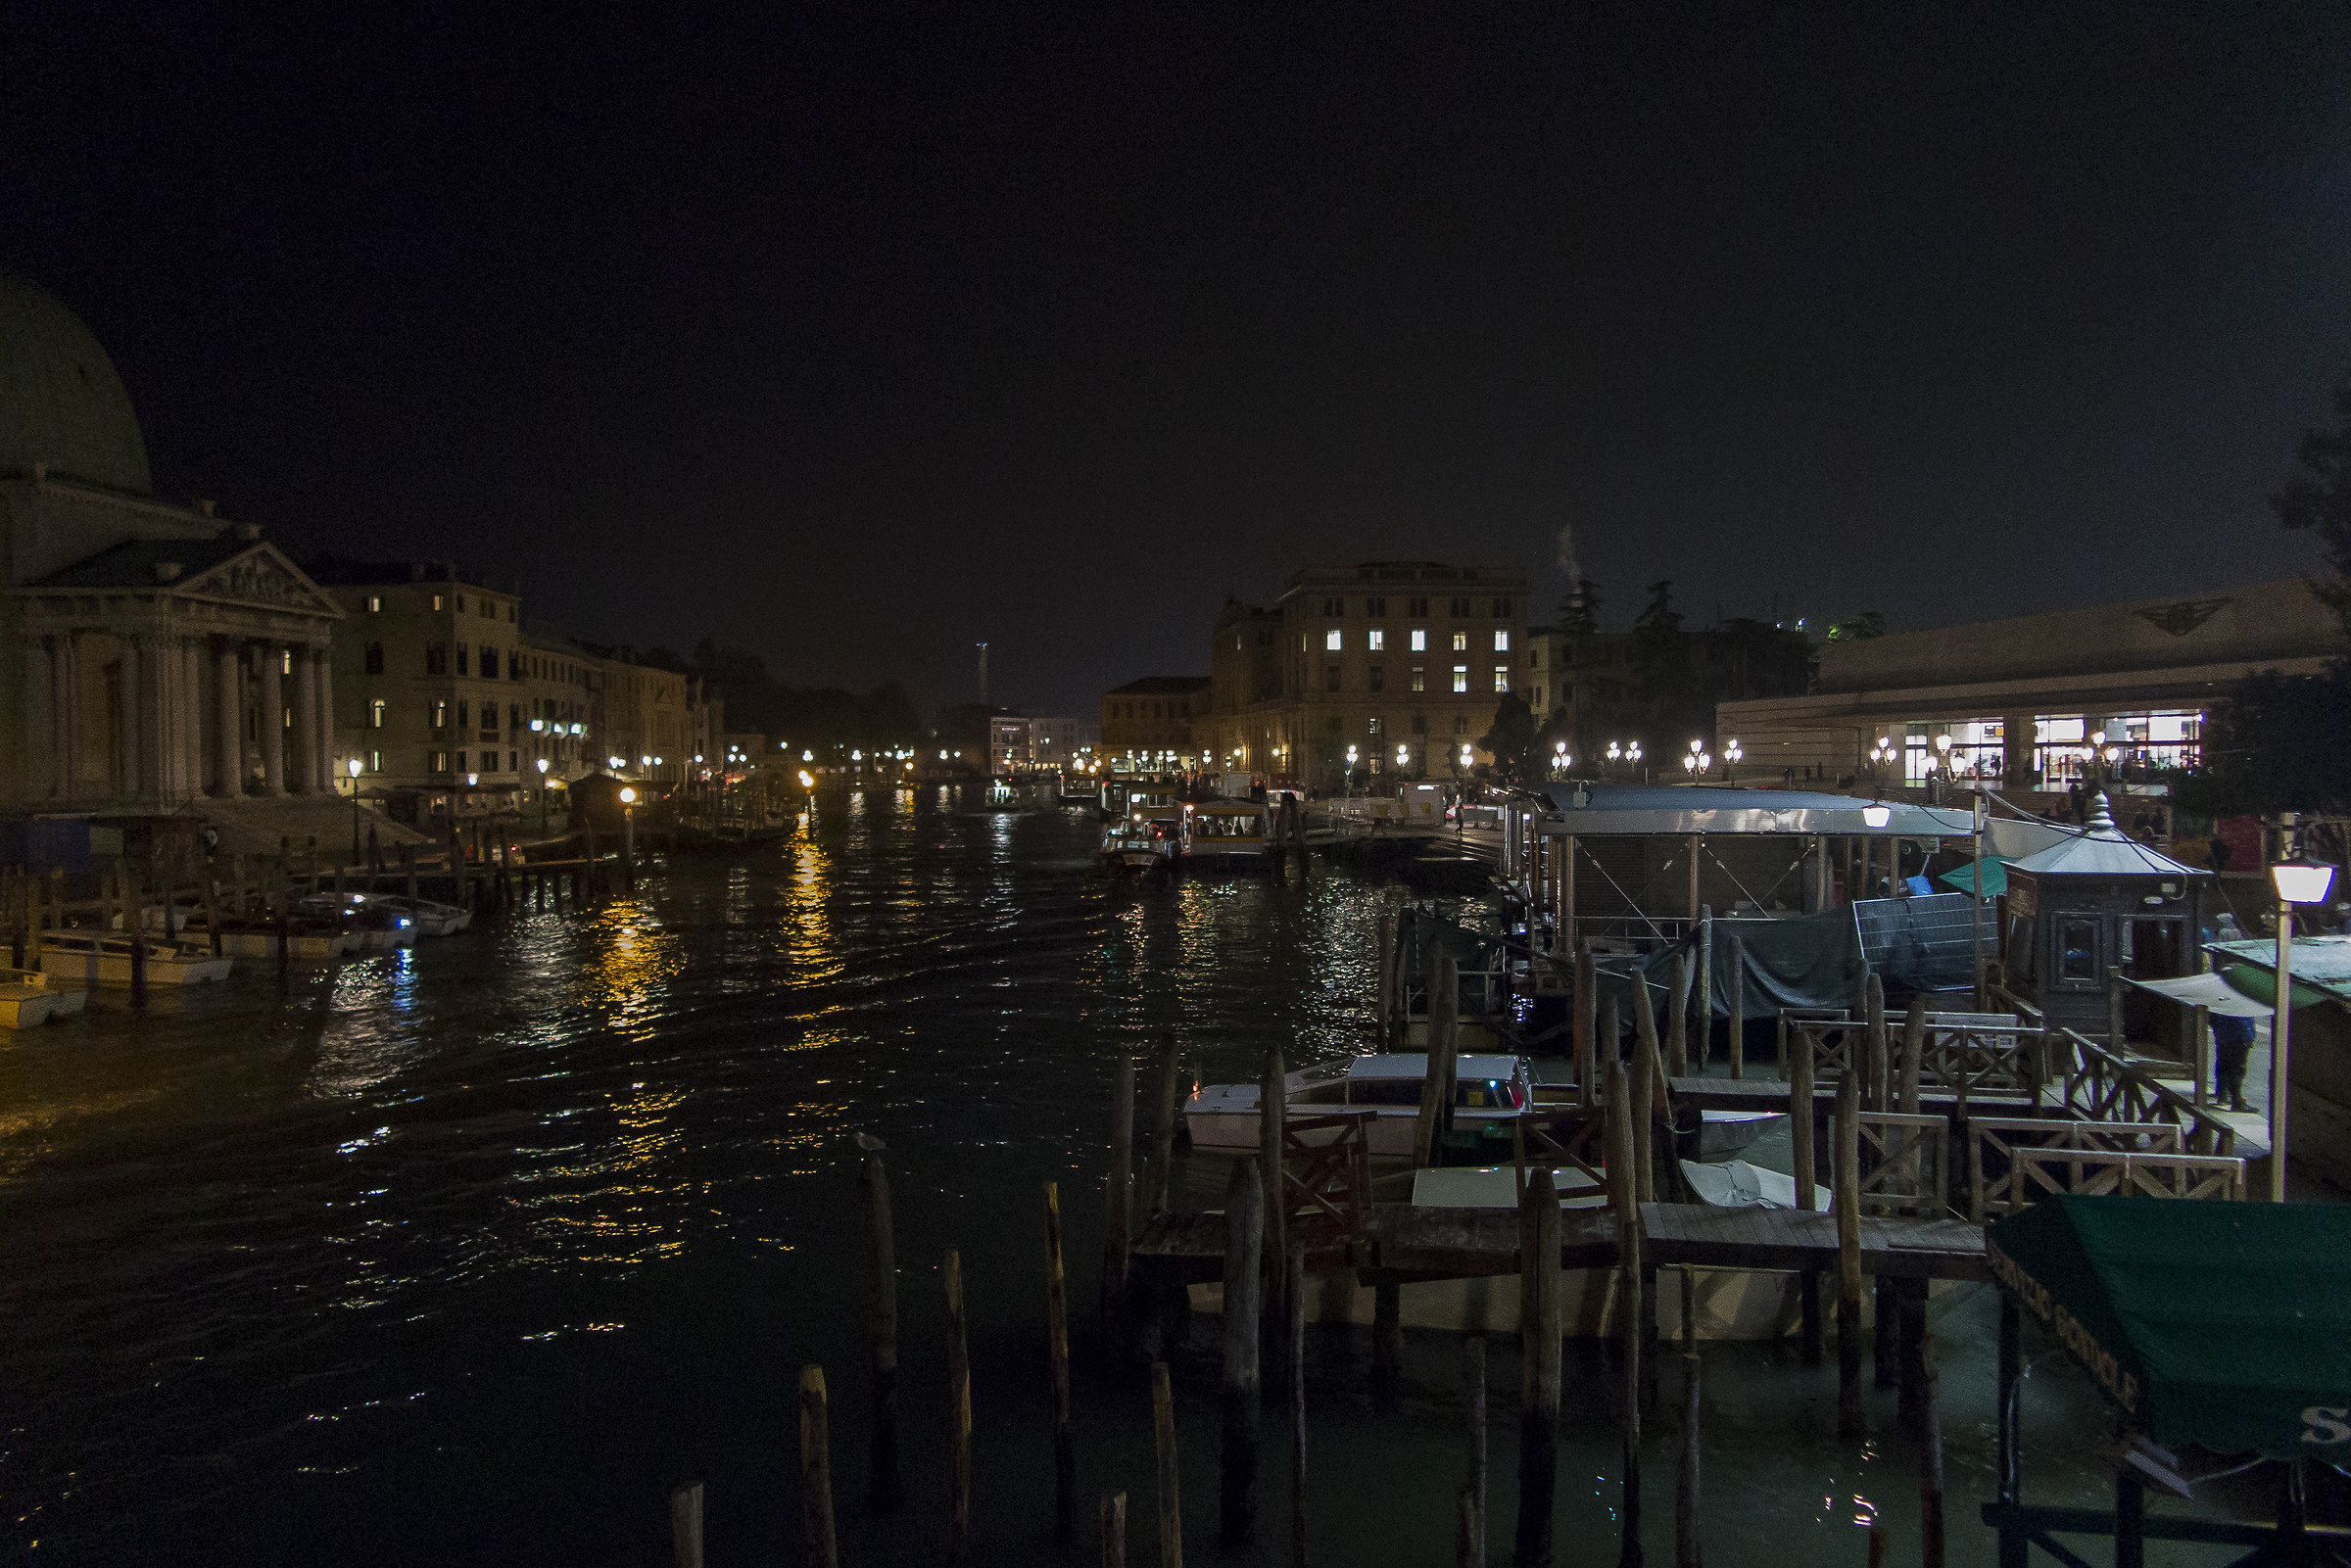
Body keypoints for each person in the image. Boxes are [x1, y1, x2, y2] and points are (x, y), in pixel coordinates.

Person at [2210, 1011, 2256, 1113]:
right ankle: (2237, 1100)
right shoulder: (2242, 1001)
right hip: (2240, 1035)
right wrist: (2248, 1037)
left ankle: (2222, 1094)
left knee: (2224, 1063)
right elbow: (2244, 1019)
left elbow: (2212, 1017)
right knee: (2238, 1068)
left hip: (2223, 1035)